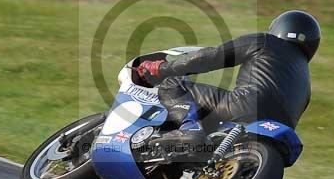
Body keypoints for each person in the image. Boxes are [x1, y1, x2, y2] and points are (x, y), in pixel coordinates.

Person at [136, 10, 320, 146]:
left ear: (279, 27)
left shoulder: (267, 42)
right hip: (275, 132)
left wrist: (163, 69)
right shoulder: (307, 84)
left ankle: (188, 129)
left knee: (172, 85)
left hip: (243, 106)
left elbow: (213, 57)